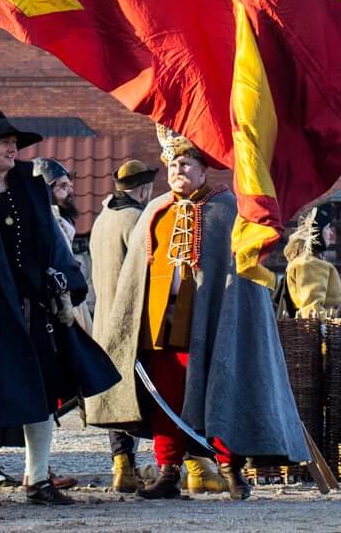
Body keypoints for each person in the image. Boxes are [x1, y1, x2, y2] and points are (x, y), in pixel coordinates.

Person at [86, 124, 311, 502]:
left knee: (222, 388)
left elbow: (241, 274)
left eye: (187, 164)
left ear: (204, 170)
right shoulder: (154, 212)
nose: (179, 171)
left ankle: (230, 469)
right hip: (162, 324)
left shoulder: (227, 212)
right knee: (166, 398)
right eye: (173, 165)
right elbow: (133, 276)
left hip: (214, 323)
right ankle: (168, 472)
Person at [0, 110, 118, 507]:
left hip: (32, 305)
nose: (13, 147)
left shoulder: (31, 186)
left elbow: (51, 242)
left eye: (14, 142)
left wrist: (64, 290)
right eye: (3, 142)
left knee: (42, 392)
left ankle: (38, 479)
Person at [88, 158, 156, 493]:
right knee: (138, 396)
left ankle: (122, 467)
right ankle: (159, 463)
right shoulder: (138, 219)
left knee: (114, 396)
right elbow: (149, 272)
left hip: (103, 320)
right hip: (130, 322)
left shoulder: (102, 219)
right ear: (144, 190)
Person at [280, 207, 341, 318]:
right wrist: (337, 321)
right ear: (317, 230)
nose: (331, 233)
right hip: (318, 333)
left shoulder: (304, 261)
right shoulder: (309, 264)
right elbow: (312, 312)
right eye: (328, 228)